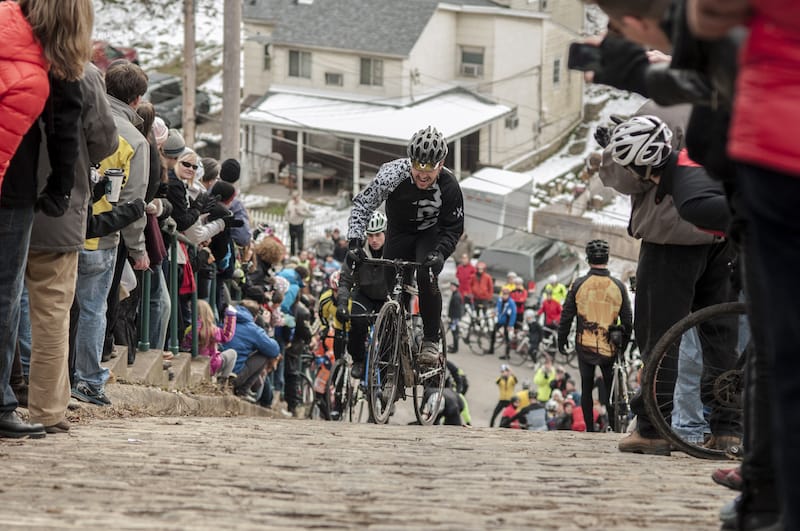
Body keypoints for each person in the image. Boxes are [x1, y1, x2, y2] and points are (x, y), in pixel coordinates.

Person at [598, 105, 741, 456]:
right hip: (723, 238)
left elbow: (625, 176)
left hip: (669, 240)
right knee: (721, 335)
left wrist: (610, 153)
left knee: (660, 337)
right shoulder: (732, 102)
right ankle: (727, 429)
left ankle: (651, 428)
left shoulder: (657, 109)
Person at [0, 0, 96, 438]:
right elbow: (74, 128)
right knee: (35, 304)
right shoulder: (62, 62)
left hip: (25, 190)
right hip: (25, 195)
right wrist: (59, 187)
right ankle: (34, 406)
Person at [344, 126, 464, 369]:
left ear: (440, 165)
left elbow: (453, 228)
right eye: (418, 164)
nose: (422, 172)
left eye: (429, 167)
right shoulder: (392, 174)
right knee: (391, 285)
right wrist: (355, 241)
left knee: (425, 273)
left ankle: (430, 339)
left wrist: (440, 254)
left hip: (429, 234)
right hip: (398, 232)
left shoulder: (449, 185)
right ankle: (391, 344)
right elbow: (362, 206)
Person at [72, 60, 151, 406]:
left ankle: (41, 374)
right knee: (93, 310)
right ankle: (88, 379)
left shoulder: (86, 120)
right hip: (103, 239)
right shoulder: (136, 139)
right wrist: (138, 250)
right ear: (136, 100)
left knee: (53, 306)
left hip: (67, 228)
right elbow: (134, 204)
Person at [557, 240, 633, 433]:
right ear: (607, 259)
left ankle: (590, 429)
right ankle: (615, 429)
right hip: (610, 346)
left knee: (586, 385)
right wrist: (623, 347)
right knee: (609, 388)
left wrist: (562, 338)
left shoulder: (579, 284)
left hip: (585, 344)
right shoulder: (618, 286)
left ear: (588, 258)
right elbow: (628, 319)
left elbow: (566, 314)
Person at [336, 211, 388, 379]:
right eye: (370, 235)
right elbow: (345, 280)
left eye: (378, 235)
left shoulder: (394, 250)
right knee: (357, 321)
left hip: (386, 297)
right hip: (364, 294)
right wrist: (342, 304)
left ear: (385, 233)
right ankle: (358, 360)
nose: (374, 240)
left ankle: (387, 368)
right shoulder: (357, 252)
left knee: (390, 331)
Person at [223, 299, 282, 399]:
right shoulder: (253, 329)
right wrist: (267, 330)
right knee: (265, 354)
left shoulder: (226, 317)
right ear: (255, 317)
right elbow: (274, 350)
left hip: (216, 369)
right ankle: (243, 391)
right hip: (232, 376)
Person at [183, 300, 238, 382]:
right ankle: (223, 379)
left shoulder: (191, 329)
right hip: (213, 364)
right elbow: (227, 336)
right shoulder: (213, 330)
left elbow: (185, 346)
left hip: (195, 363)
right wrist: (231, 315)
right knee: (232, 353)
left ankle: (218, 377)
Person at [485, 287, 516, 358]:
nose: (504, 296)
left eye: (506, 294)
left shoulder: (511, 303)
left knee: (507, 337)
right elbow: (497, 308)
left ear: (508, 295)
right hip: (500, 320)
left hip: (507, 321)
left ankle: (507, 354)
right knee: (493, 332)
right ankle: (491, 349)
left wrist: (510, 325)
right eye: (503, 294)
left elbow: (513, 314)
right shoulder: (500, 300)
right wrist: (494, 313)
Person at [285, 190, 311, 256]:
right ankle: (292, 254)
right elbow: (286, 212)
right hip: (291, 224)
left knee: (300, 241)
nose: (295, 199)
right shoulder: (290, 203)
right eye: (293, 198)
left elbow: (308, 214)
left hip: (299, 224)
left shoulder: (304, 204)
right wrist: (288, 219)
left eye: (296, 198)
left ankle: (300, 255)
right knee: (292, 240)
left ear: (299, 197)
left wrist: (300, 213)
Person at [446, 280, 464, 353]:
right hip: (454, 318)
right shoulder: (455, 294)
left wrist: (452, 318)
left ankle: (455, 349)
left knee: (455, 333)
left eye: (452, 286)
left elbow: (456, 309)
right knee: (454, 332)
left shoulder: (456, 296)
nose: (451, 287)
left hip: (454, 318)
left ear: (456, 287)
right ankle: (455, 347)